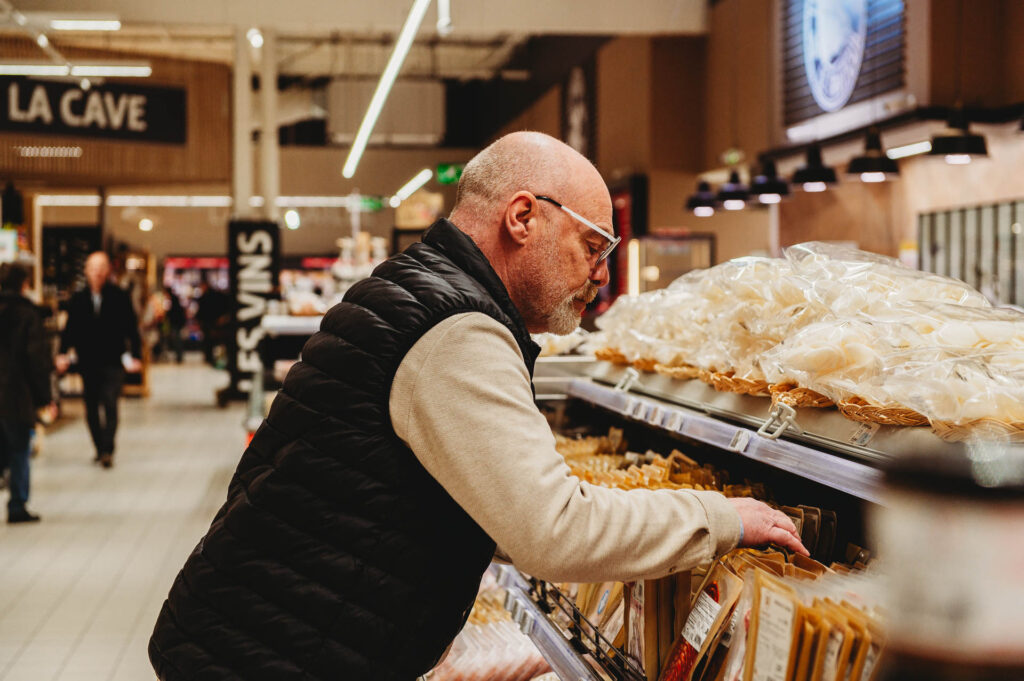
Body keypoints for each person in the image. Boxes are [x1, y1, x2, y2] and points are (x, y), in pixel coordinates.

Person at [149, 132, 805, 681]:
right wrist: (721, 515)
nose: (603, 271)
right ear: (523, 217)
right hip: (274, 655)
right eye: (594, 245)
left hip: (257, 635)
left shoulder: (415, 289)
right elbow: (554, 530)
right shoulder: (457, 327)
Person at [56, 252, 142, 469]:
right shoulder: (78, 299)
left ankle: (108, 449)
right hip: (88, 361)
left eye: (101, 268)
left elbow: (131, 328)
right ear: (86, 271)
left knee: (111, 404)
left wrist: (136, 356)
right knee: (91, 407)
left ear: (108, 271)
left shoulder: (119, 296)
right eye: (93, 268)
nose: (97, 273)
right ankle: (99, 447)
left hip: (113, 360)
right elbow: (70, 330)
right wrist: (63, 353)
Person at [0, 263, 55, 523]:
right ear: (24, 284)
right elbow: (36, 361)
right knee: (20, 448)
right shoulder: (27, 316)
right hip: (15, 395)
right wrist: (45, 397)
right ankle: (17, 504)